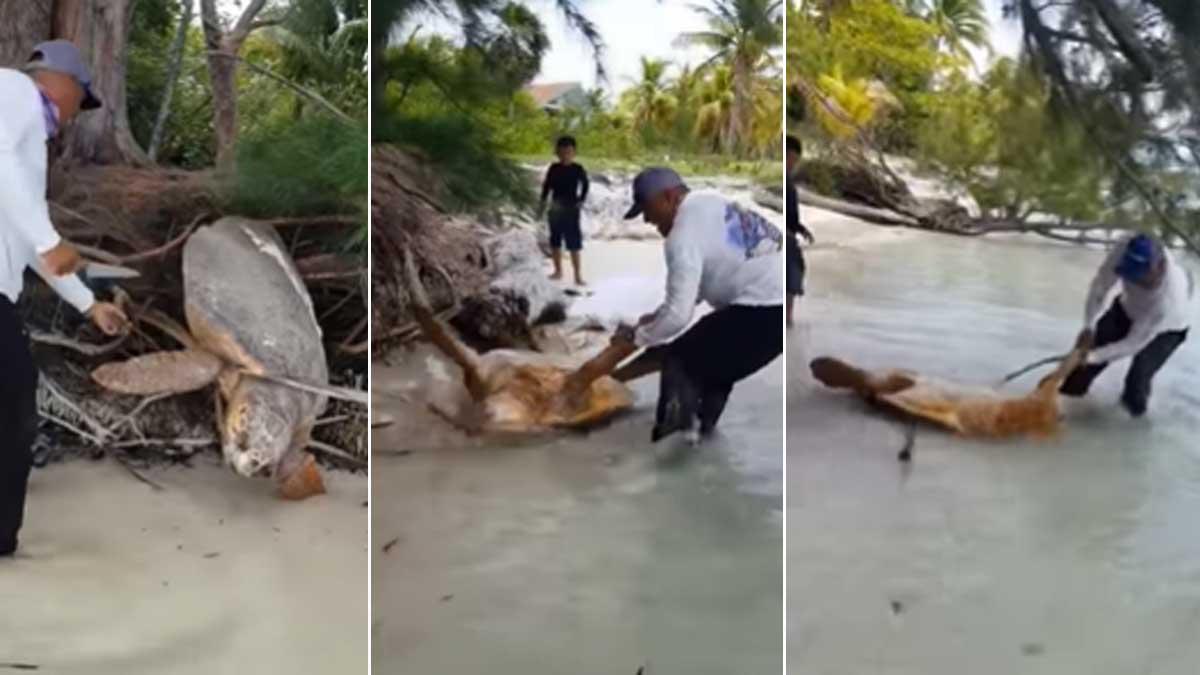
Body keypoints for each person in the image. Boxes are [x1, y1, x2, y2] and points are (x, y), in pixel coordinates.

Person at [1, 40, 130, 557]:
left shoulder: (24, 145)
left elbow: (35, 246)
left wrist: (87, 304)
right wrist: (49, 239)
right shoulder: (14, 91)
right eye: (83, 97)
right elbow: (40, 237)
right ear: (62, 82)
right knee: (12, 408)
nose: (77, 112)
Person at [569, 167, 784, 443]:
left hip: (759, 313)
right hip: (772, 313)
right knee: (712, 365)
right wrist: (654, 319)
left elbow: (678, 317)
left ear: (669, 197)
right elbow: (702, 282)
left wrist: (635, 338)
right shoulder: (709, 200)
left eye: (647, 209)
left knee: (679, 361)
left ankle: (673, 449)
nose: (647, 220)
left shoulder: (682, 235)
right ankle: (701, 444)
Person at [1060, 232, 1193, 417]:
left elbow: (1132, 343)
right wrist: (1088, 327)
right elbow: (1100, 286)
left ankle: (1133, 428)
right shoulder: (1125, 246)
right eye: (1129, 273)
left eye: (1140, 275)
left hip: (1167, 330)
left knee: (1136, 382)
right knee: (1080, 372)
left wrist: (1091, 356)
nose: (1134, 280)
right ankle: (1064, 413)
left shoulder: (1169, 300)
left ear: (1161, 267)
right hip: (1125, 309)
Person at [539, 135, 590, 286]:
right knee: (555, 241)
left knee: (574, 244)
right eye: (562, 152)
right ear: (557, 152)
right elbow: (546, 187)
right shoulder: (554, 168)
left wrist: (581, 200)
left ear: (574, 153)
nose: (565, 155)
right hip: (555, 208)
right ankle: (558, 271)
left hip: (572, 209)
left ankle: (577, 275)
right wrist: (542, 203)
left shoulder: (577, 168)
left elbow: (585, 185)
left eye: (568, 152)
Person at [786, 135, 815, 327]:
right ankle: (787, 321)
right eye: (793, 159)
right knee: (792, 276)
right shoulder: (785, 182)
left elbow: (791, 214)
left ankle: (787, 321)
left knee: (792, 275)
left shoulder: (788, 181)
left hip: (789, 233)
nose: (794, 164)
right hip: (786, 237)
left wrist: (801, 229)